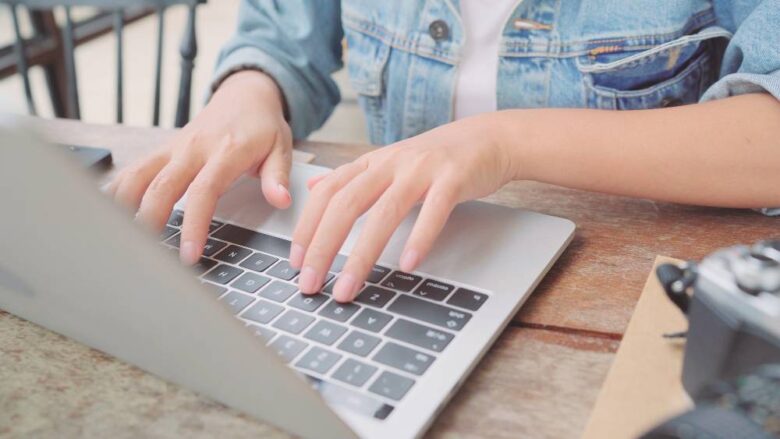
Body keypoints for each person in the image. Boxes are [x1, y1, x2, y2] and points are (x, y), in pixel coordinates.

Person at [107, 1, 780, 303]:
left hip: (623, 302)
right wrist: (247, 96)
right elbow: (282, 34)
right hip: (395, 273)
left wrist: (503, 141)